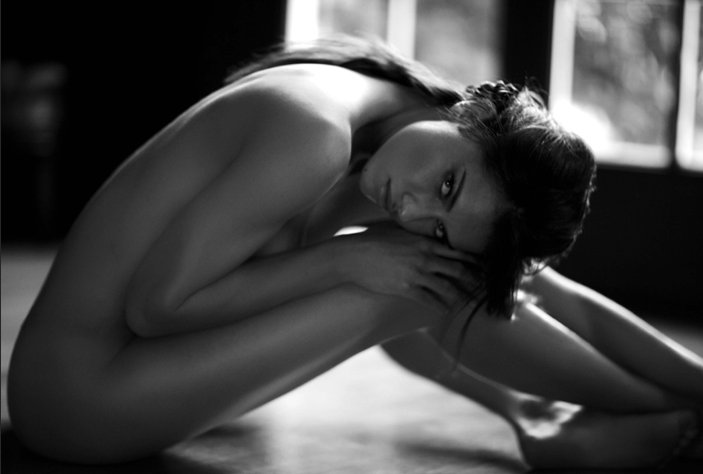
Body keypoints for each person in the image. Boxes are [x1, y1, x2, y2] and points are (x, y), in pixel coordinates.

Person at [7, 37, 703, 469]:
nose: (416, 210)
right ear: (471, 114)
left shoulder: (390, 119)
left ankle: (609, 408)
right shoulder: (314, 134)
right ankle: (645, 417)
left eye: (441, 220)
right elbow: (158, 307)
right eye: (449, 186)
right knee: (418, 279)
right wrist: (347, 260)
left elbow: (541, 287)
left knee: (434, 267)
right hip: (78, 402)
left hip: (121, 380)